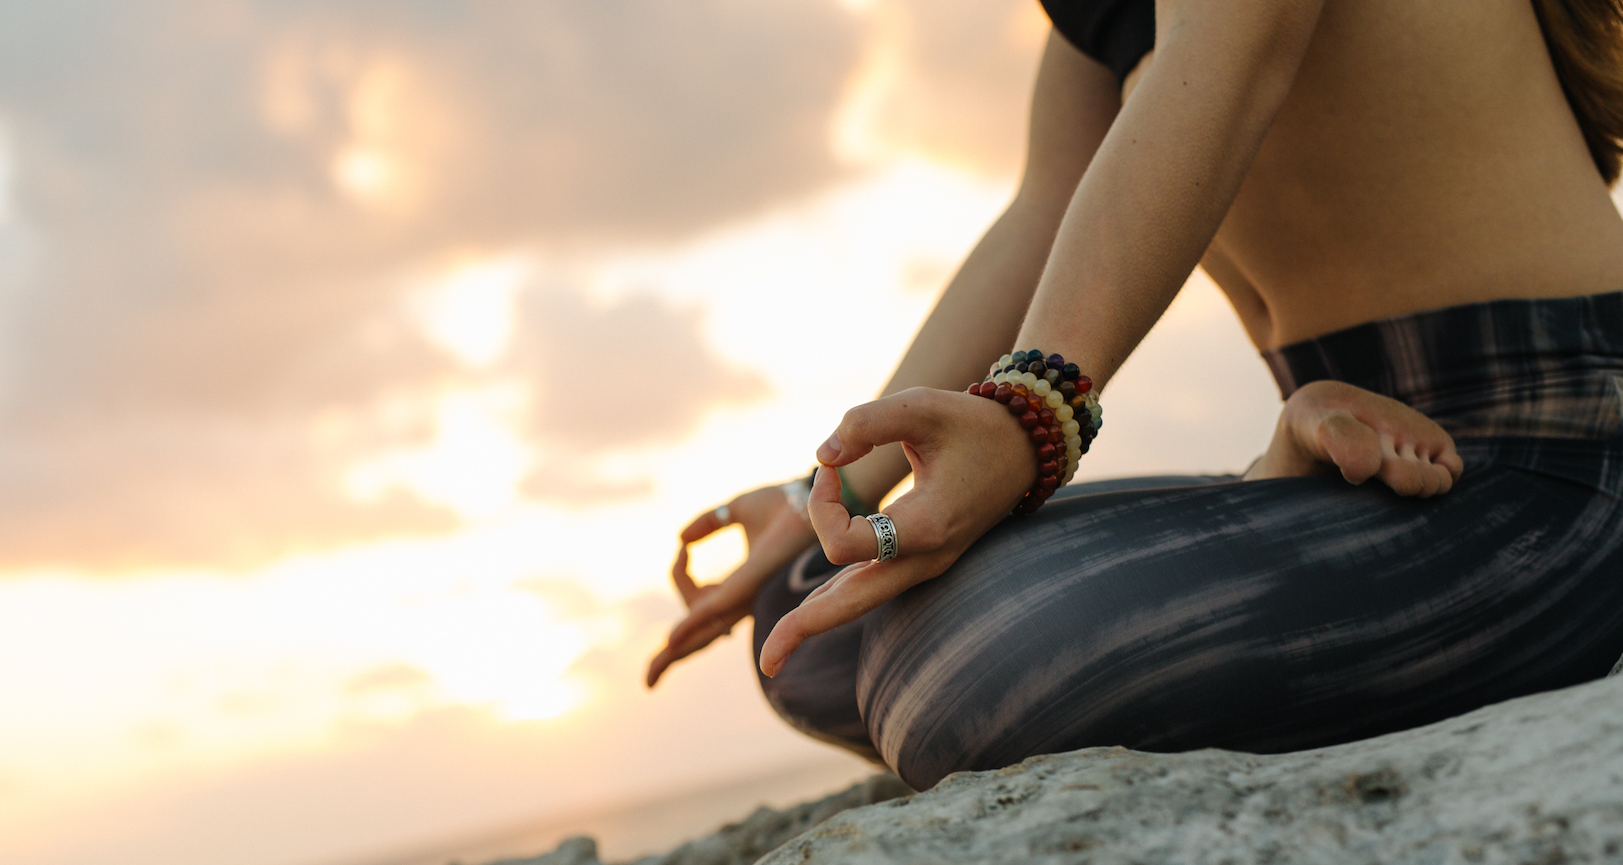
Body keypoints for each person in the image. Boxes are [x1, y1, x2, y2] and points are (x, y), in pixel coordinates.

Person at [646, 0, 1623, 790]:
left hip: (1563, 458)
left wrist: (1030, 415)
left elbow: (1228, 64)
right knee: (807, 611)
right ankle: (1289, 470)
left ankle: (1288, 484)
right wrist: (833, 492)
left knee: (965, 667)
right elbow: (1043, 209)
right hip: (1372, 466)